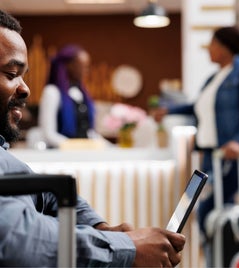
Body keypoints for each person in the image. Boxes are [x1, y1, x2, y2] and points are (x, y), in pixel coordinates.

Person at [0, 9, 185, 267]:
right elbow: (15, 238)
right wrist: (127, 248)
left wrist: (102, 228)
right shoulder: (54, 93)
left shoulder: (5, 156)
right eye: (11, 74)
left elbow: (44, 192)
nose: (25, 88)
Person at [151, 26, 239, 236]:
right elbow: (197, 105)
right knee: (210, 212)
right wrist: (168, 111)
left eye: (213, 44)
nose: (209, 49)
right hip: (212, 154)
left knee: (212, 210)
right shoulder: (214, 78)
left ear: (226, 47)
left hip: (233, 154)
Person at [38, 44, 100, 148]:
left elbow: (89, 132)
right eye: (83, 67)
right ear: (69, 66)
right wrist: (76, 146)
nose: (86, 72)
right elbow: (48, 134)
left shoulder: (82, 94)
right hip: (61, 157)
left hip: (83, 154)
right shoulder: (52, 92)